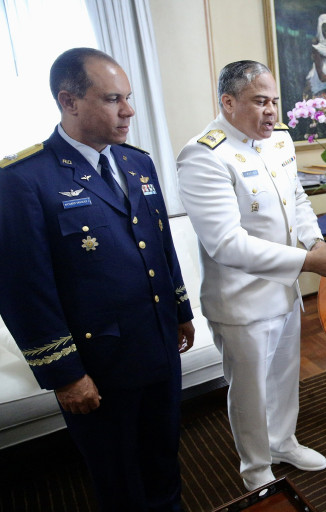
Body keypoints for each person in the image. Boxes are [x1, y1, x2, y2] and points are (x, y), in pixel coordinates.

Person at [0, 47, 194, 511]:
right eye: (112, 99)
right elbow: (24, 289)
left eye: (128, 98)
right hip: (99, 366)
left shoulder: (137, 163)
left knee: (164, 459)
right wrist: (65, 374)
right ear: (68, 101)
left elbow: (161, 245)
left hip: (158, 346)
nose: (128, 111)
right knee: (119, 477)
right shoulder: (24, 179)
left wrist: (181, 311)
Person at [176, 60, 326, 490]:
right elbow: (226, 243)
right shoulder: (204, 156)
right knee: (250, 391)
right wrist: (307, 263)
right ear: (228, 103)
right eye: (260, 102)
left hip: (283, 290)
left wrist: (313, 243)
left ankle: (283, 442)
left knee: (283, 378)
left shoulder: (279, 139)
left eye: (274, 101)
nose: (271, 111)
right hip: (240, 300)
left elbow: (296, 199)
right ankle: (256, 468)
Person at [305, 13, 326, 99]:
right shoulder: (317, 46)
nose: (325, 29)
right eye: (323, 27)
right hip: (316, 85)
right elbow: (321, 77)